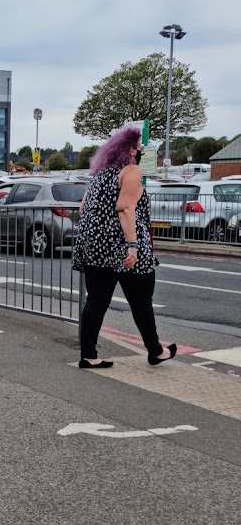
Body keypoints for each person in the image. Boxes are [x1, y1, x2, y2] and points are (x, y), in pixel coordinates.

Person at [73, 126, 176, 369]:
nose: (140, 152)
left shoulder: (101, 174)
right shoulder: (131, 171)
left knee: (96, 301)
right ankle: (155, 351)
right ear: (131, 150)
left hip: (94, 246)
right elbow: (125, 208)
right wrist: (132, 245)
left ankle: (88, 355)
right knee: (141, 301)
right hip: (123, 246)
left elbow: (82, 209)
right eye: (139, 148)